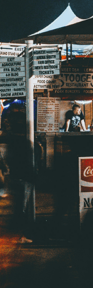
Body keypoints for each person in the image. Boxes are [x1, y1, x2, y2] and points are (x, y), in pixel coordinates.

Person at [0, 103, 36, 243]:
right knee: (20, 206)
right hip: (22, 176)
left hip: (17, 175)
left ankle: (18, 233)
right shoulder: (21, 140)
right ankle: (19, 235)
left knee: (19, 206)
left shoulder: (11, 138)